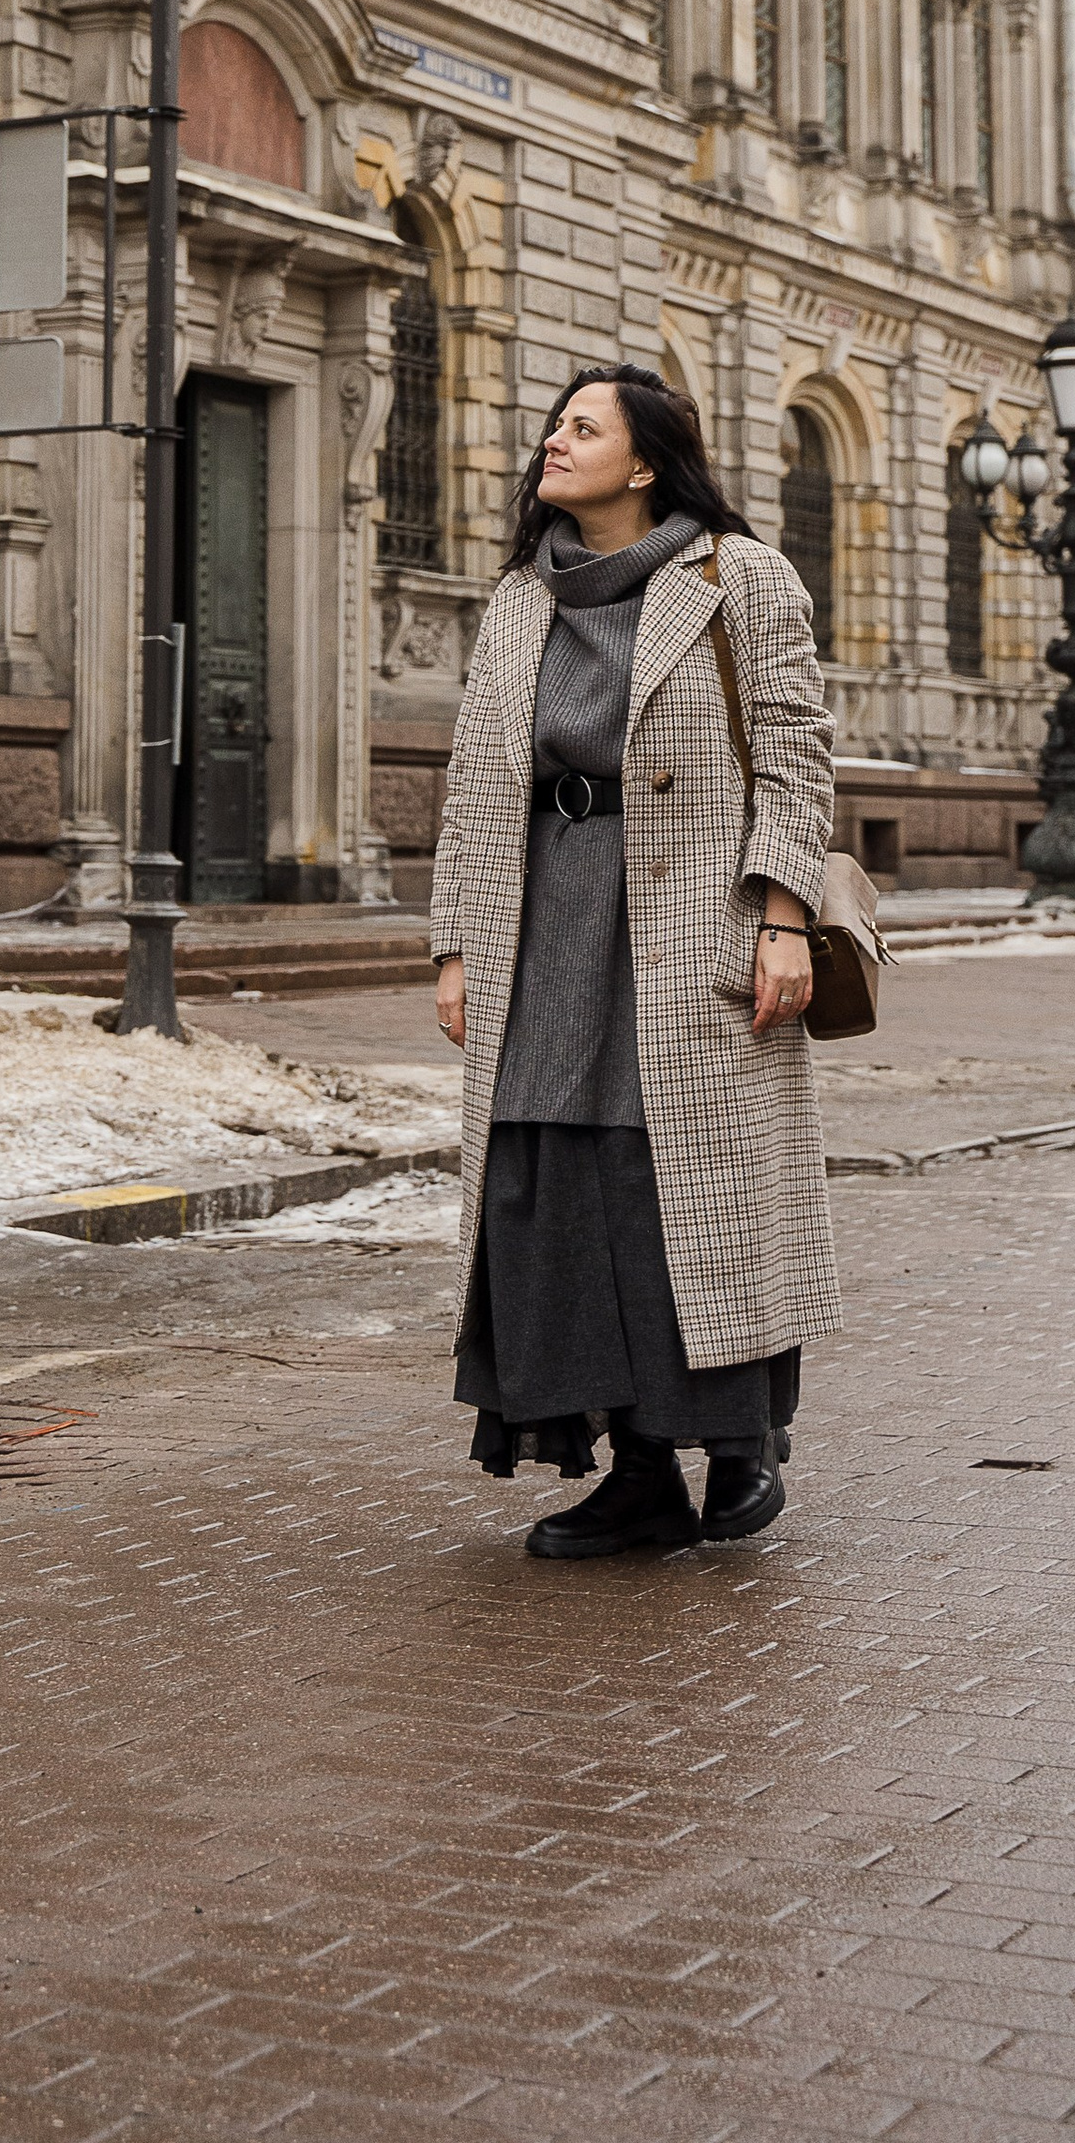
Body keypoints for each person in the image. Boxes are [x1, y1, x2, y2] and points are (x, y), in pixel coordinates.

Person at [430, 364, 840, 1559]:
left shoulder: (738, 576)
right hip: (542, 920)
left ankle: (740, 1445)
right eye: (552, 421)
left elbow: (797, 756)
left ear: (646, 460)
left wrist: (778, 914)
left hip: (691, 919)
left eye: (581, 426)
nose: (552, 440)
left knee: (687, 1185)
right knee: (553, 1170)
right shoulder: (519, 597)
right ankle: (638, 1469)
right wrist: (456, 939)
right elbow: (472, 782)